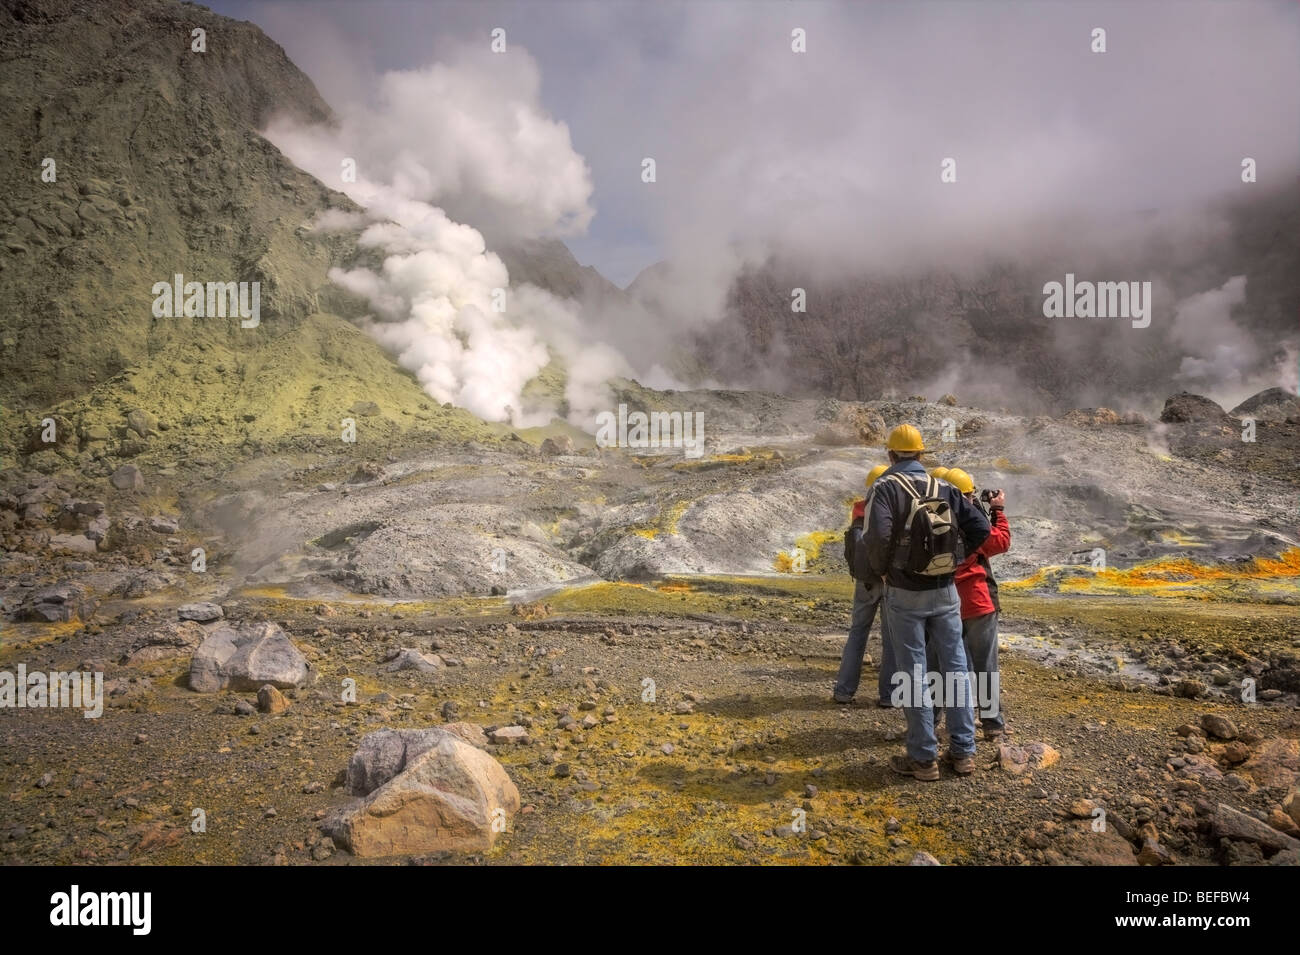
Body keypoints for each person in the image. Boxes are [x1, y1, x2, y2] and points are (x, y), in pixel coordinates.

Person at [859, 424, 990, 781]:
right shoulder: (944, 486)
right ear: (921, 454)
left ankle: (923, 759)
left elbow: (876, 537)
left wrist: (885, 572)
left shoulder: (884, 488)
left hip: (904, 593)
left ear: (890, 455)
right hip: (946, 590)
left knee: (913, 671)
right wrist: (957, 562)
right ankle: (963, 753)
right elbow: (981, 529)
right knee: (956, 666)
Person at [943, 468, 1012, 741]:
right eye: (970, 495)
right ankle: (993, 724)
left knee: (945, 666)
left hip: (944, 604)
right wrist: (998, 511)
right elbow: (1001, 541)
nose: (972, 500)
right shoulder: (973, 524)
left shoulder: (930, 521)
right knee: (986, 667)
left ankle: (943, 721)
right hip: (978, 602)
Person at [834, 464, 894, 706]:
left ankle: (844, 691)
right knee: (891, 638)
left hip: (864, 582)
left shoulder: (860, 510)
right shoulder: (890, 508)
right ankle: (889, 696)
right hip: (888, 580)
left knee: (858, 633)